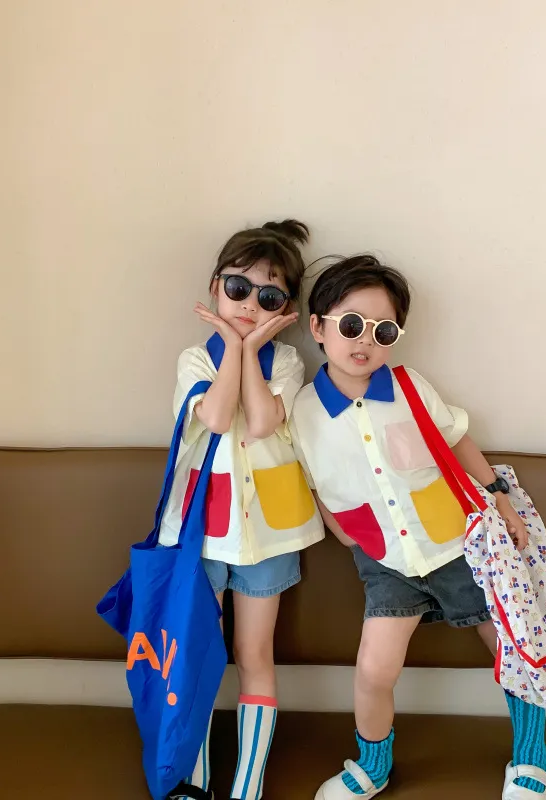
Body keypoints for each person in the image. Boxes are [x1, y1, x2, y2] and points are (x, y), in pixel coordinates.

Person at [289, 255, 546, 800]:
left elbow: (455, 438)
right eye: (351, 324)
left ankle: (532, 758)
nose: (365, 341)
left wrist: (499, 497)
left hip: (457, 547)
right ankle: (372, 765)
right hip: (386, 561)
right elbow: (312, 479)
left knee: (512, 647)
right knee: (373, 669)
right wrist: (343, 530)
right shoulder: (302, 411)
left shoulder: (410, 387)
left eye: (382, 330)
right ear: (317, 326)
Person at [161, 219, 325, 800]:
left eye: (270, 297)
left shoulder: (287, 363)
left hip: (269, 535)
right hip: (201, 532)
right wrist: (233, 347)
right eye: (238, 288)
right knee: (201, 654)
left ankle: (248, 785)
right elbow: (212, 417)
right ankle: (197, 779)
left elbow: (259, 422)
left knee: (255, 654)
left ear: (286, 310)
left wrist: (250, 349)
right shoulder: (193, 359)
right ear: (215, 287)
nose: (251, 304)